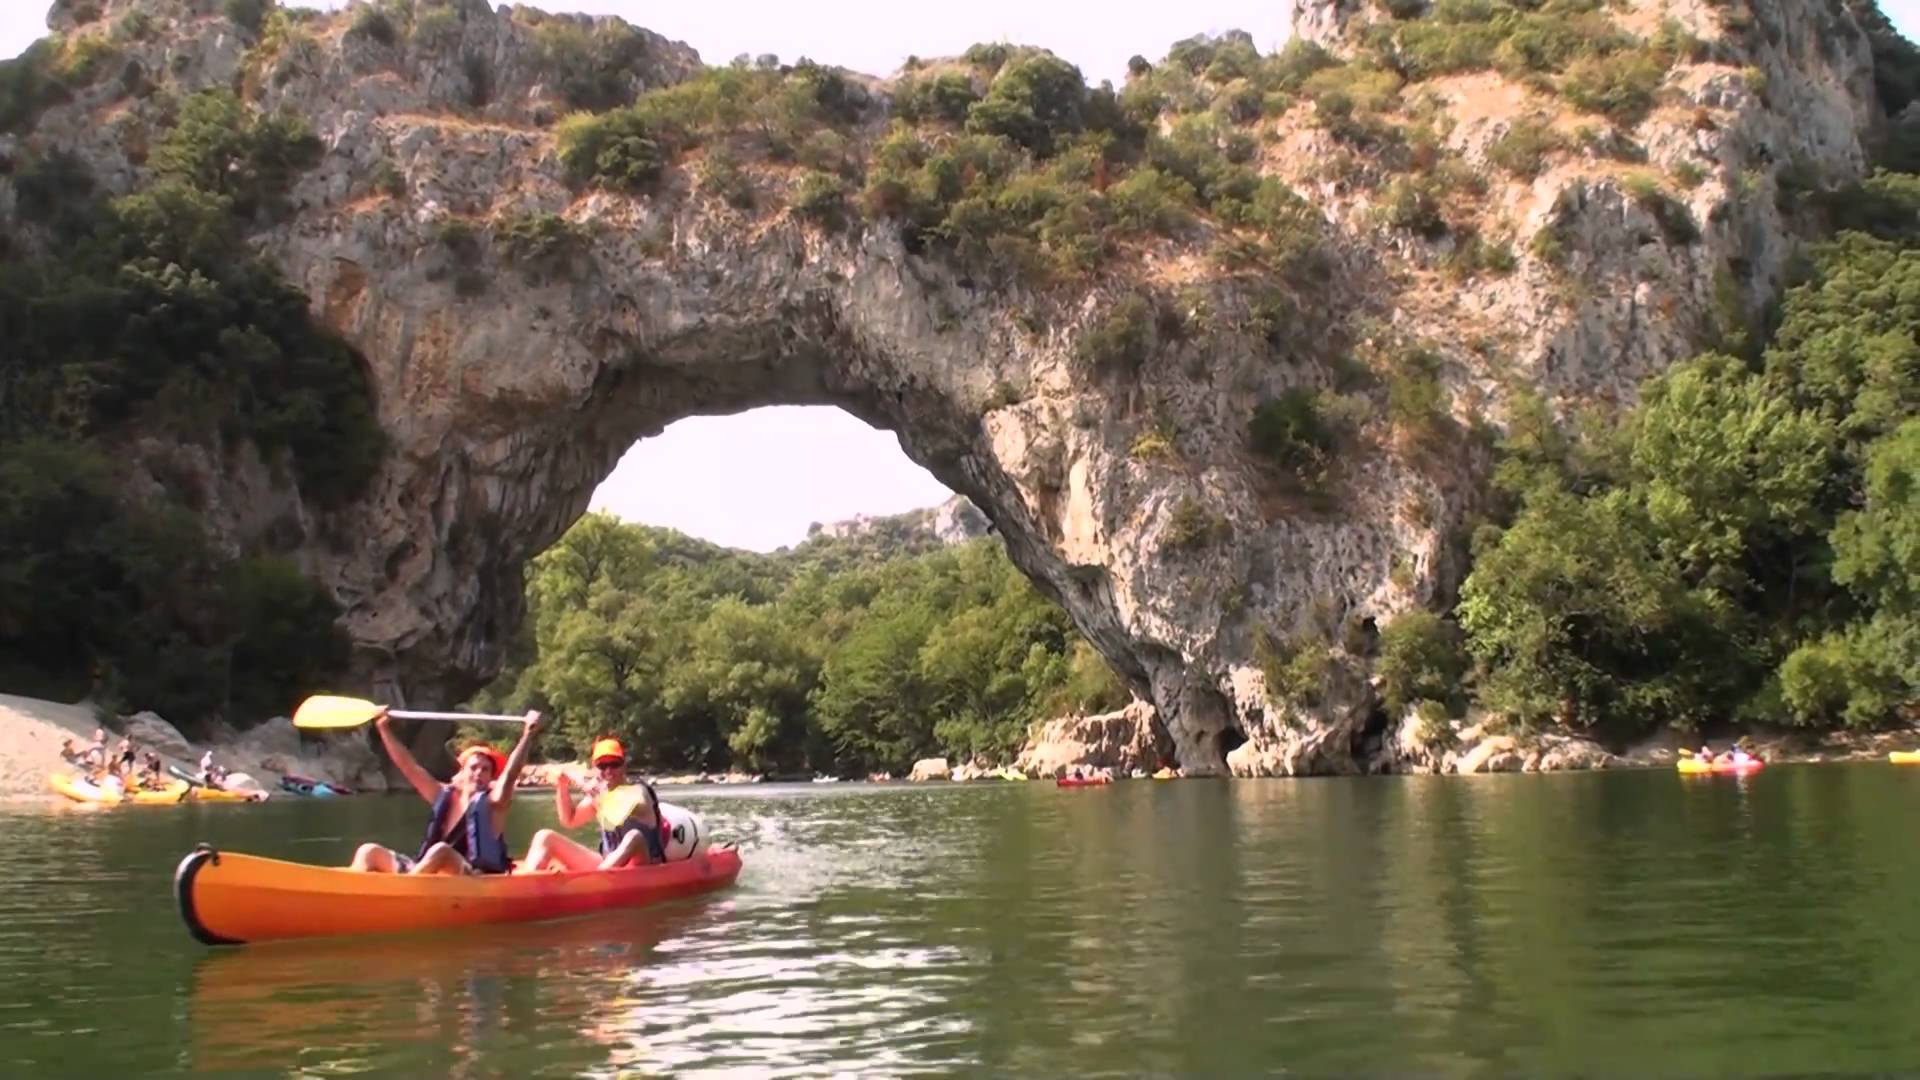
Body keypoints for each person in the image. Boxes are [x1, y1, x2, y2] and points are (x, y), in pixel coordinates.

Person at [348, 707, 542, 876]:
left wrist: (527, 735)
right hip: (428, 871)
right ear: (462, 772)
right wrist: (384, 729)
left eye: (485, 770)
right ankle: (350, 896)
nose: (479, 773)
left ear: (491, 777)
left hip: (472, 877)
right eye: (474, 768)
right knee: (368, 851)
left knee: (442, 851)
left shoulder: (494, 804)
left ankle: (406, 890)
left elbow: (510, 774)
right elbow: (408, 766)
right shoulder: (442, 795)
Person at [519, 738, 664, 873]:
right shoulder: (600, 793)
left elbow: (637, 806)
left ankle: (595, 880)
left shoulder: (639, 790)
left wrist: (600, 797)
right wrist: (562, 787)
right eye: (602, 766)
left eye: (614, 764)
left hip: (643, 863)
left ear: (624, 765)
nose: (608, 771)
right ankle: (528, 885)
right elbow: (569, 820)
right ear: (595, 767)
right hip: (607, 863)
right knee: (544, 836)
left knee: (634, 836)